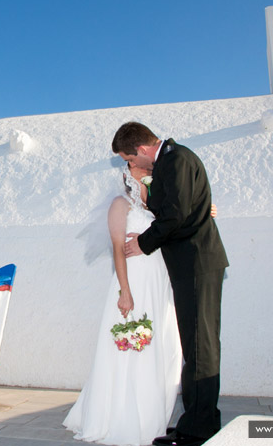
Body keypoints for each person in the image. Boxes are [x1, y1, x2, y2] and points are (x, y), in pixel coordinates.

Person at [114, 122, 228, 446]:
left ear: (142, 150)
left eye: (130, 159)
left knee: (200, 347)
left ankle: (197, 430)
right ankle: (198, 422)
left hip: (196, 263)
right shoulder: (172, 161)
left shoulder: (176, 160)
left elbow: (175, 216)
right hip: (192, 264)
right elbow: (183, 208)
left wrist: (144, 243)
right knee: (197, 345)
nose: (133, 166)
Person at [63, 160, 183, 445]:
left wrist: (206, 212)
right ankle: (125, 419)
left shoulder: (158, 206)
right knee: (133, 350)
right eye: (140, 167)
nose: (149, 170)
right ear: (128, 172)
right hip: (134, 283)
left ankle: (155, 416)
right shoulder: (120, 204)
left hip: (159, 283)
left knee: (165, 348)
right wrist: (125, 292)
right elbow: (118, 249)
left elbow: (174, 229)